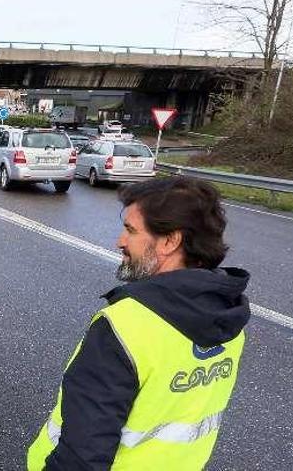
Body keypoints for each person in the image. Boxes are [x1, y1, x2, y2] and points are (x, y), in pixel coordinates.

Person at [27, 176, 251, 470]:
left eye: (131, 230)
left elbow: (81, 457)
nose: (120, 241)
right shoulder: (228, 319)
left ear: (171, 241)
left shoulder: (125, 327)